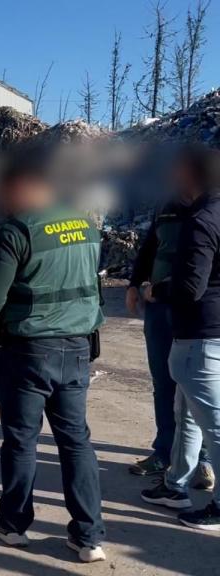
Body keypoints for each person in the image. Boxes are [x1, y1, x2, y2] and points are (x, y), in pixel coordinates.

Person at [0, 154, 107, 562]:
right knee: (76, 441)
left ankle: (13, 525)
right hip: (78, 347)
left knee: (21, 440)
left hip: (28, 351)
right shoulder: (86, 225)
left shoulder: (16, 231)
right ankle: (88, 537)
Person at [139, 145, 220, 530]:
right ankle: (176, 485)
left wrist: (157, 290)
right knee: (185, 410)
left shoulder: (201, 219)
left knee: (213, 423)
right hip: (206, 331)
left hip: (200, 333)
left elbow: (190, 287)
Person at [125, 184, 214, 487]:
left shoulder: (211, 208)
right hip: (159, 307)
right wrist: (134, 283)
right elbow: (150, 245)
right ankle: (164, 452)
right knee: (163, 381)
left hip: (197, 310)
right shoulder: (166, 202)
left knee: (199, 389)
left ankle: (204, 461)